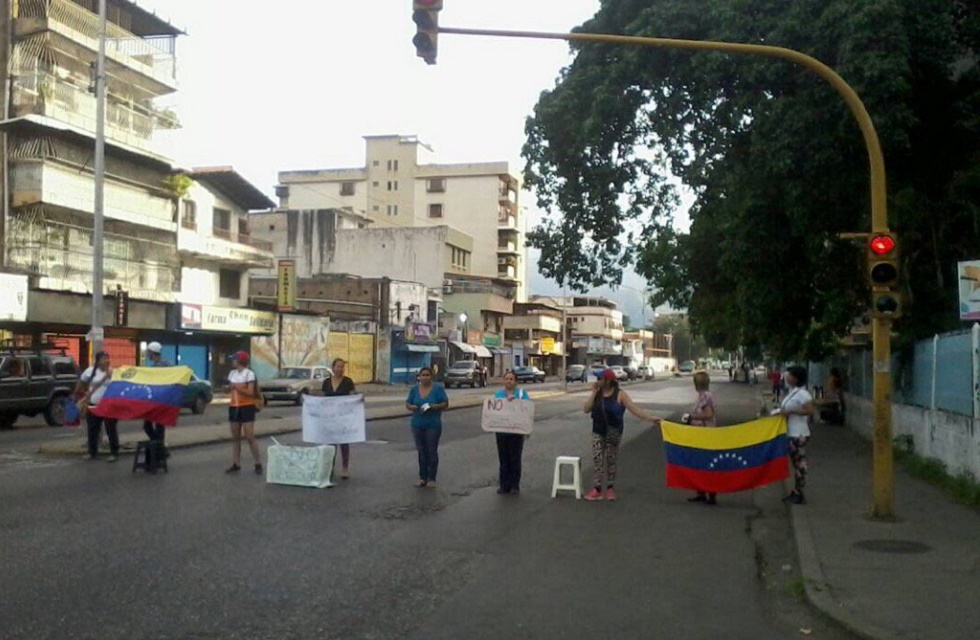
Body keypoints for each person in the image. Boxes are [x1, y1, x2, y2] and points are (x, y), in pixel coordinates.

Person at [582, 369, 662, 501]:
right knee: (598, 458)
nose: (598, 381)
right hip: (598, 429)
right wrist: (594, 392)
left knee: (610, 459)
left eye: (600, 379)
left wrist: (651, 418)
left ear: (608, 381)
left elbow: (634, 409)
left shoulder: (620, 395)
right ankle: (597, 488)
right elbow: (586, 409)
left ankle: (610, 488)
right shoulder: (598, 394)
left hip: (613, 430)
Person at [405, 367, 449, 488]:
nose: (425, 377)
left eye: (427, 375)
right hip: (417, 424)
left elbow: (445, 403)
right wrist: (411, 407)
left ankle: (431, 477)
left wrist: (435, 406)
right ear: (419, 377)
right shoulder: (414, 390)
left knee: (431, 450)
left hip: (432, 424)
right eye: (422, 375)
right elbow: (408, 403)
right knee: (421, 451)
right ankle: (422, 477)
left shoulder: (438, 389)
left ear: (431, 376)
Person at [778, 365, 814, 505]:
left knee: (799, 463)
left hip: (799, 433)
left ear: (796, 378)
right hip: (791, 432)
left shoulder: (803, 394)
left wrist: (791, 413)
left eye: (790, 375)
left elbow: (809, 411)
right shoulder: (793, 392)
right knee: (796, 463)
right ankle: (797, 491)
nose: (787, 376)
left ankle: (799, 493)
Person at [76, 351, 119, 461]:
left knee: (111, 429)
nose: (107, 361)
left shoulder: (113, 372)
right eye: (104, 358)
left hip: (109, 406)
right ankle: (92, 452)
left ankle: (114, 452)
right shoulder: (90, 371)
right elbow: (81, 384)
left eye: (108, 358)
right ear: (98, 361)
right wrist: (84, 393)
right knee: (93, 429)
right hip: (93, 405)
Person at [493, 371, 530, 495]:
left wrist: (516, 402)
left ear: (515, 381)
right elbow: (493, 409)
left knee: (515, 458)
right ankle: (504, 485)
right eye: (506, 379)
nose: (508, 381)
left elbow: (527, 409)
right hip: (502, 431)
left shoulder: (521, 393)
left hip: (516, 431)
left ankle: (515, 485)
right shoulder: (498, 394)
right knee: (503, 459)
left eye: (511, 379)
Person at [685, 371, 718, 505]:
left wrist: (692, 417)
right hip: (704, 433)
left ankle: (709, 494)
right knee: (700, 464)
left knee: (704, 464)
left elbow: (708, 414)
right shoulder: (705, 395)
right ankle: (702, 492)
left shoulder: (704, 396)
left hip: (704, 434)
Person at [226, 351, 262, 474]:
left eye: (234, 359)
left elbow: (250, 392)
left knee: (249, 436)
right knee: (235, 438)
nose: (232, 361)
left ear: (240, 361)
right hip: (234, 406)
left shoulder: (249, 374)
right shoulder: (232, 374)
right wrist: (228, 388)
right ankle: (236, 463)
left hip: (247, 407)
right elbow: (229, 390)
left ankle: (258, 462)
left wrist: (237, 387)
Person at [322, 358, 356, 479]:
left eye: (342, 367)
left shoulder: (348, 381)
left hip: (343, 417)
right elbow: (323, 398)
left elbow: (353, 396)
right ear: (333, 368)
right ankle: (329, 467)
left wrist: (358, 400)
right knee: (330, 444)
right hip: (330, 417)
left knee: (344, 443)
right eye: (338, 366)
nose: (340, 369)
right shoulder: (326, 382)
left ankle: (345, 468)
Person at [142, 341, 170, 454]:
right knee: (147, 425)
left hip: (162, 399)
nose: (148, 355)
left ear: (153, 353)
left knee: (159, 426)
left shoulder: (166, 365)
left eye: (149, 353)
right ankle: (160, 448)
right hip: (153, 400)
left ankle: (160, 450)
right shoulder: (153, 366)